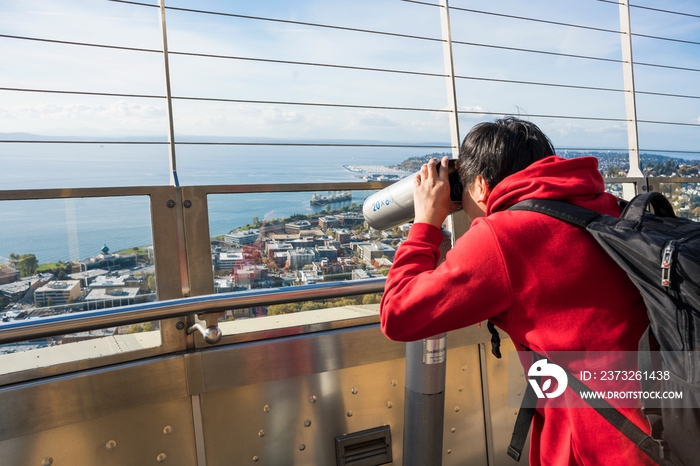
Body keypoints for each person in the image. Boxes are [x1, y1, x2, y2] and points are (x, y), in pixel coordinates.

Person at [379, 117, 655, 465]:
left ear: (479, 186)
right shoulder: (612, 206)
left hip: (600, 444)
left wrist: (425, 223)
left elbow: (398, 314)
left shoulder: (503, 236)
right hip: (669, 423)